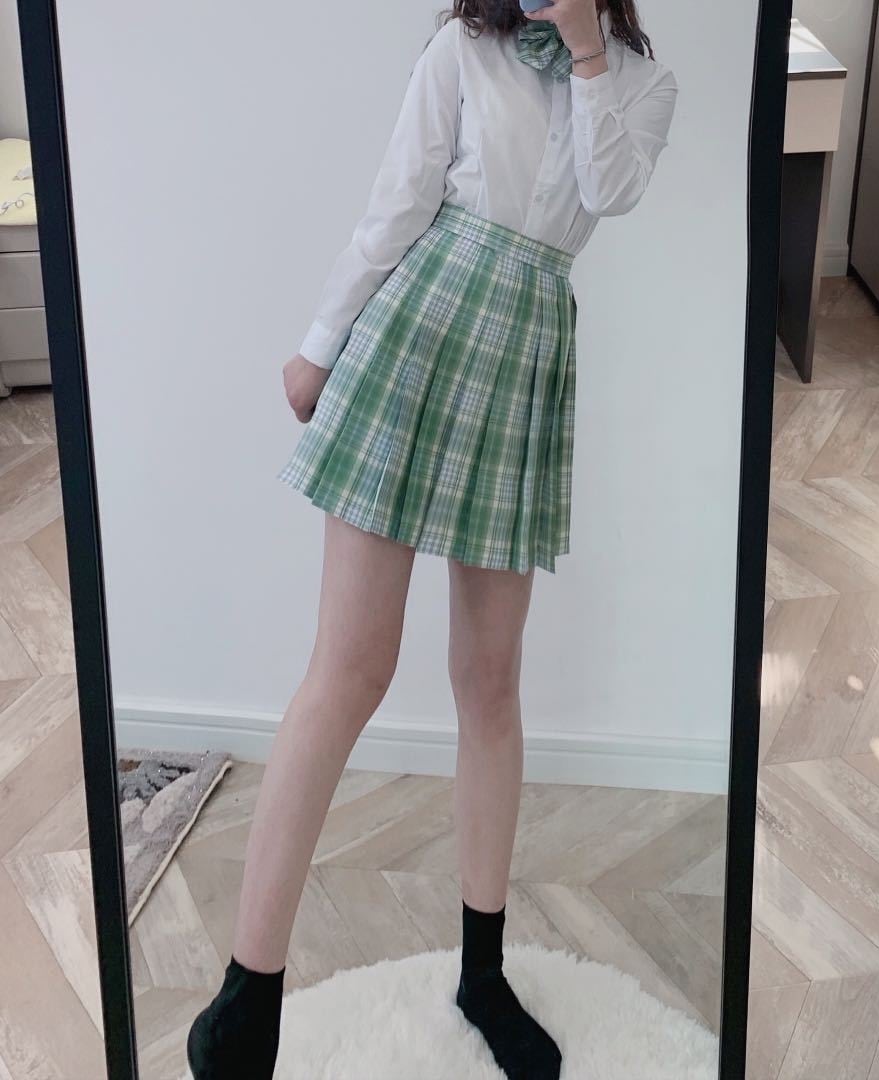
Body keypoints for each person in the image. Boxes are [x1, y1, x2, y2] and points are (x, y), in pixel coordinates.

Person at [187, 1, 677, 1076]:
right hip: (415, 335)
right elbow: (398, 203)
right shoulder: (463, 48)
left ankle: (482, 975)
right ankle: (245, 999)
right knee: (349, 669)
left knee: (490, 683)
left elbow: (610, 191)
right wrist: (320, 346)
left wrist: (587, 53)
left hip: (525, 360)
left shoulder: (644, 86)